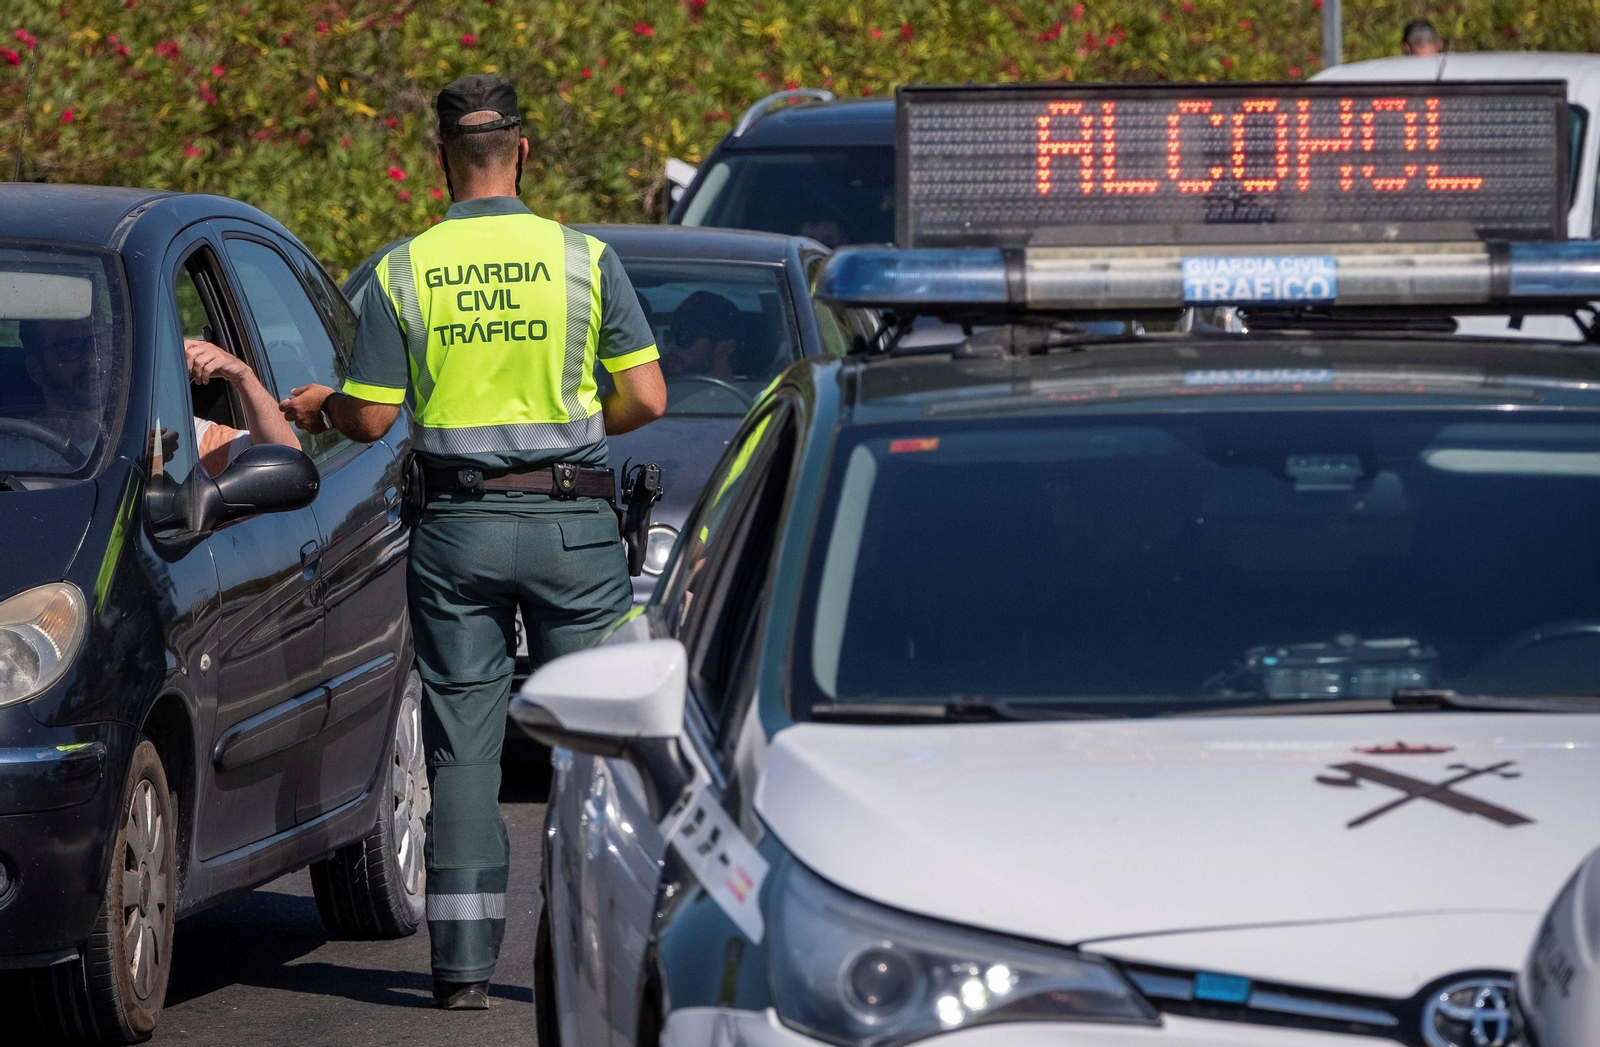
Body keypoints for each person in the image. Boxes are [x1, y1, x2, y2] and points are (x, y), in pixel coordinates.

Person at [278, 74, 666, 1011]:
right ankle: (596, 966)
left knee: (463, 749)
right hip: (576, 529)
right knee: (601, 751)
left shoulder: (405, 270)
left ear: (441, 160)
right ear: (522, 152)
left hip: (456, 529)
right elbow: (647, 398)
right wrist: (574, 427)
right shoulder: (584, 258)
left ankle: (458, 971)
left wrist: (317, 404)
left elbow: (369, 422)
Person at [11, 319, 294, 475]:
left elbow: (287, 462)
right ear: (36, 369)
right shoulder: (11, 451)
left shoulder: (172, 433)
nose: (92, 359)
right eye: (70, 348)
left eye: (100, 343)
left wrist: (242, 376)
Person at [664, 290, 740, 383]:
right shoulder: (655, 392)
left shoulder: (749, 397)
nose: (671, 345)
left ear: (725, 348)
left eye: (684, 337)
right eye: (668, 335)